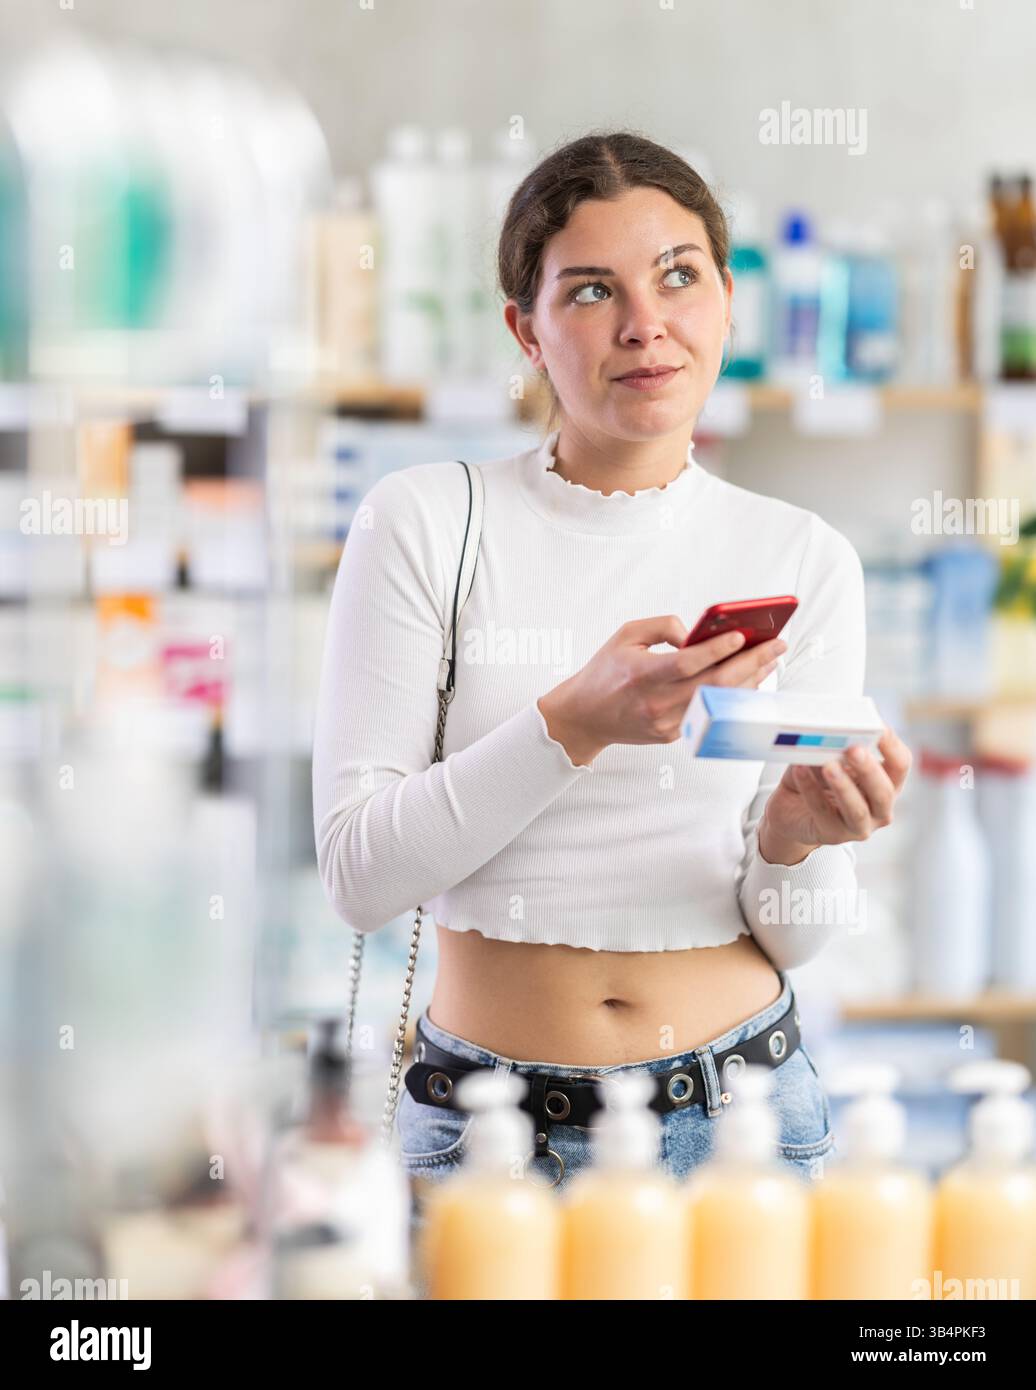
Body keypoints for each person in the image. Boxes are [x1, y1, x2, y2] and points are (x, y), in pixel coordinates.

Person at [311, 130, 912, 1201]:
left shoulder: (803, 558)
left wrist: (793, 839)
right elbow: (360, 876)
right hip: (487, 1142)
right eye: (589, 291)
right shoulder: (425, 523)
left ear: (727, 298)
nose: (645, 324)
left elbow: (798, 933)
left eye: (678, 276)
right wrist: (569, 726)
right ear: (526, 331)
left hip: (744, 1121)